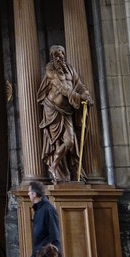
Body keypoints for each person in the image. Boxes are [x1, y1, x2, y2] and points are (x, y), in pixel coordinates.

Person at [37, 44, 92, 182]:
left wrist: (86, 94)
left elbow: (79, 85)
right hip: (53, 110)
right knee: (55, 141)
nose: (60, 56)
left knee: (70, 141)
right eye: (57, 54)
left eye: (62, 53)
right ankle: (55, 168)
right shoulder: (50, 69)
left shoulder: (70, 69)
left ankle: (56, 166)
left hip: (67, 112)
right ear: (52, 56)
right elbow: (62, 88)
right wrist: (79, 98)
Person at [22, 180, 62, 257]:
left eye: (29, 192)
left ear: (34, 194)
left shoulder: (48, 209)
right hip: (38, 253)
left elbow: (54, 234)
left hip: (46, 256)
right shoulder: (38, 210)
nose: (28, 194)